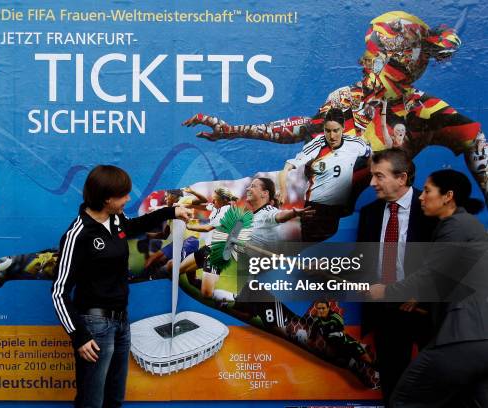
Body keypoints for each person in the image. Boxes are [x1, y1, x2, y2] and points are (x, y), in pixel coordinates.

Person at [182, 11, 487, 205]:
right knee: (174, 202)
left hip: (305, 213)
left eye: (374, 58)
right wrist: (234, 130)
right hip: (276, 188)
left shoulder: (423, 111)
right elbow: (304, 128)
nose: (364, 64)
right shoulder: (345, 97)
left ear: (401, 61)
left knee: (194, 239)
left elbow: (475, 140)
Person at [50, 165, 192, 408]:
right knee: (91, 402)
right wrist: (79, 337)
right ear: (107, 199)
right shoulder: (78, 234)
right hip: (95, 329)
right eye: (123, 195)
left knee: (114, 400)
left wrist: (172, 211)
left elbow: (136, 225)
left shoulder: (116, 220)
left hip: (122, 323)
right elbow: (59, 292)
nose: (128, 199)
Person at [368, 169, 488, 407]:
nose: (421, 197)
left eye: (428, 191)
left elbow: (430, 274)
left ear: (448, 196)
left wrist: (387, 291)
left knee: (403, 401)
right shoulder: (467, 226)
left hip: (463, 337)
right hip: (479, 340)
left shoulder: (455, 225)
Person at [356, 148, 437, 403]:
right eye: (372, 176)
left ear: (401, 178)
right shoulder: (370, 213)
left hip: (429, 315)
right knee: (393, 386)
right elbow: (362, 262)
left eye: (379, 176)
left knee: (436, 387)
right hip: (386, 313)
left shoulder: (433, 211)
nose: (372, 183)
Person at [279, 108, 371, 241]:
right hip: (316, 209)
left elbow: (372, 158)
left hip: (340, 209)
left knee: (331, 252)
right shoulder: (317, 145)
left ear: (343, 128)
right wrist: (283, 191)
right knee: (307, 250)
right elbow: (286, 168)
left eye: (336, 130)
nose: (332, 136)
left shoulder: (355, 144)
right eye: (328, 131)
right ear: (323, 129)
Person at [178, 186, 237, 300]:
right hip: (207, 248)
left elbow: (207, 228)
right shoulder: (217, 206)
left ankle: (233, 297)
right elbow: (205, 206)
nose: (212, 201)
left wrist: (189, 226)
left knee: (207, 294)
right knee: (181, 272)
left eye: (215, 199)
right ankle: (219, 299)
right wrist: (185, 205)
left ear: (224, 200)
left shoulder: (227, 211)